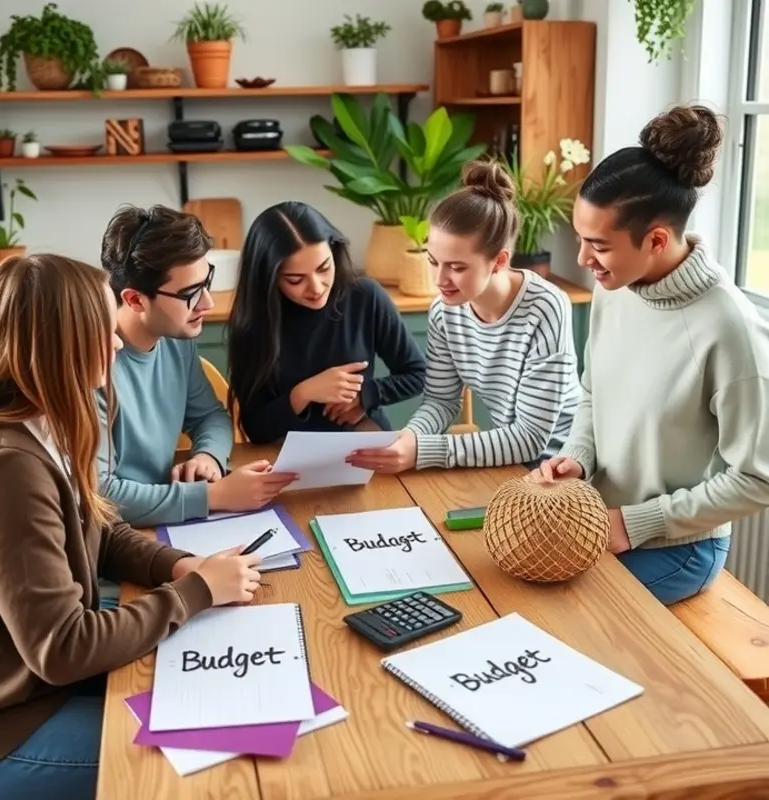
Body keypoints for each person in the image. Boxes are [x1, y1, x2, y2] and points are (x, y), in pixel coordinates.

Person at [0, 254, 263, 799]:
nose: (119, 345)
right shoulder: (5, 468)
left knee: (225, 706)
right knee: (217, 765)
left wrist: (178, 565)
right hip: (5, 723)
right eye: (103, 332)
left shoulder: (51, 420)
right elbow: (62, 646)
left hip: (44, 686)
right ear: (61, 345)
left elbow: (96, 527)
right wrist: (194, 592)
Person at [532, 104, 769, 605]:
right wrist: (576, 457)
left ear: (657, 239)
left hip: (678, 549)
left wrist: (636, 522)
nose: (582, 259)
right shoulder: (614, 284)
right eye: (580, 238)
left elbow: (757, 479)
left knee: (556, 615)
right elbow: (594, 393)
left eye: (598, 244)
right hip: (600, 520)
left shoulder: (730, 329)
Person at [347, 161, 581, 474]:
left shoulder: (547, 307)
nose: (440, 279)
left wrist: (422, 451)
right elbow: (441, 401)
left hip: (562, 468)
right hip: (509, 463)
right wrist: (409, 437)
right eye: (433, 261)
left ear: (499, 261)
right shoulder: (445, 312)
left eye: (457, 267)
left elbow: (530, 439)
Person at [99, 204, 296, 526]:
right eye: (190, 292)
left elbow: (209, 416)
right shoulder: (92, 363)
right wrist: (214, 497)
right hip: (119, 538)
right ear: (135, 300)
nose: (208, 303)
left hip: (170, 518)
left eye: (207, 282)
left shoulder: (177, 338)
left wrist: (208, 456)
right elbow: (100, 495)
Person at [226, 201, 427, 443]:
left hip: (366, 441)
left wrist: (367, 395)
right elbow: (256, 428)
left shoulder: (365, 296)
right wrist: (304, 393)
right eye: (295, 279)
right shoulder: (254, 321)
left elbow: (419, 374)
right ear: (269, 278)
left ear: (334, 251)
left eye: (324, 268)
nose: (317, 287)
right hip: (288, 455)